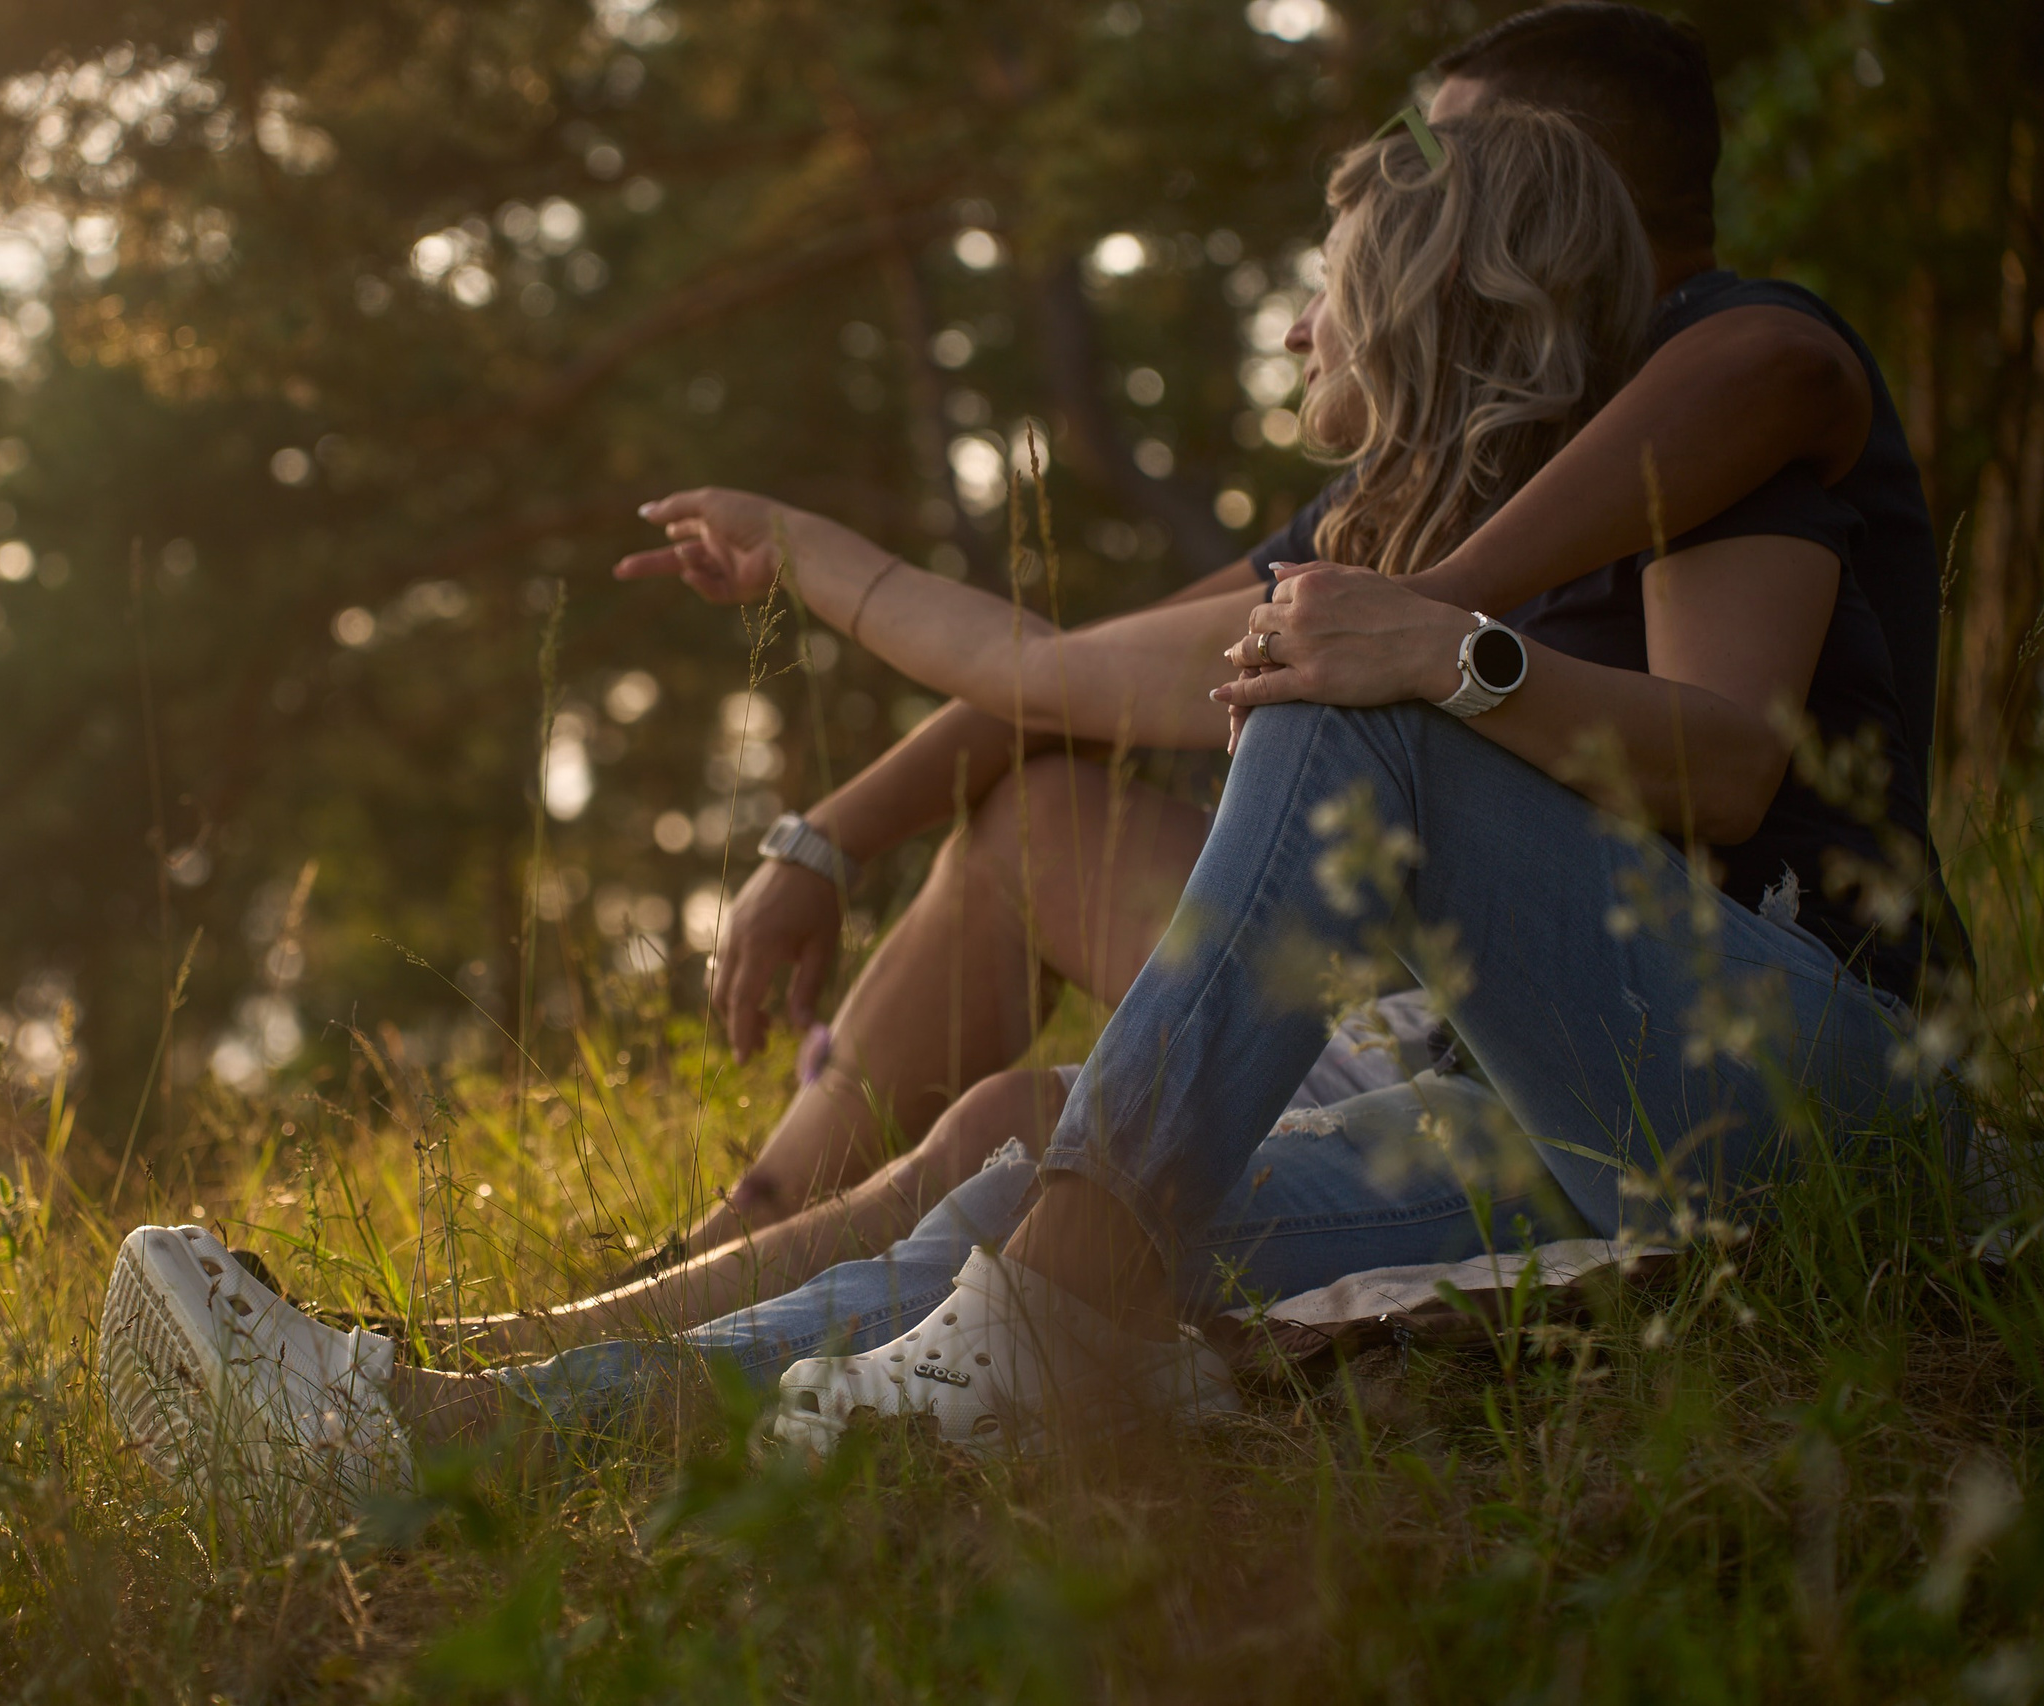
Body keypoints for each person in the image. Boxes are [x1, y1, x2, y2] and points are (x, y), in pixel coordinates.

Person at [100, 101, 1770, 1486]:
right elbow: (1049, 675)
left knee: (1045, 1182)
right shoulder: (1357, 546)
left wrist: (1450, 652)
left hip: (1621, 1095)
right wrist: (809, 558)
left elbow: (1736, 776)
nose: (1290, 322)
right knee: (985, 1187)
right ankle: (431, 1424)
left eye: (1324, 286)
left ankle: (505, 1401)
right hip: (1454, 1094)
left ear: (1416, 295)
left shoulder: (1629, 514)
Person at [618, 2, 1895, 1279]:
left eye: (1435, 155)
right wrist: (829, 833)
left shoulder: (1716, 359)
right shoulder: (1414, 484)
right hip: (1436, 1004)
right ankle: (709, 1265)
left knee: (1313, 740)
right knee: (1037, 842)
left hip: (1676, 1017)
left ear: (1544, 170)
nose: (1405, 184)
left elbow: (1777, 382)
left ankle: (1063, 1284)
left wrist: (1431, 614)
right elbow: (1084, 673)